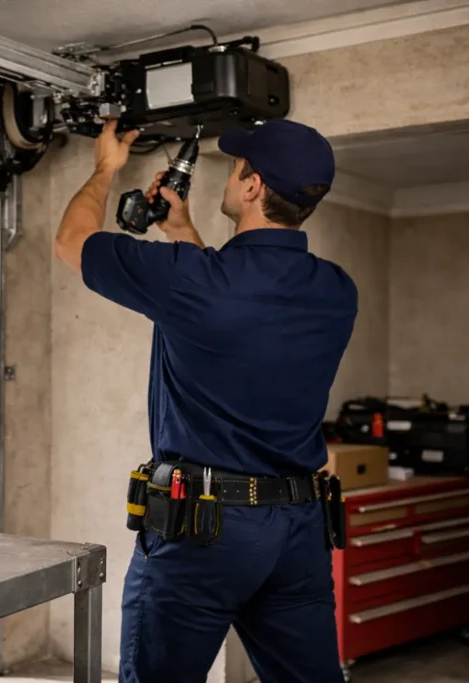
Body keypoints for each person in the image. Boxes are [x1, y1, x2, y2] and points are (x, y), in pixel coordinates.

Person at [53, 118, 357, 683]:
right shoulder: (336, 291)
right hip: (297, 528)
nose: (230, 175)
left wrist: (105, 168)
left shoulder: (195, 283)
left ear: (252, 187)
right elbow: (231, 317)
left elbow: (71, 243)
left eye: (236, 167)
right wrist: (182, 230)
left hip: (204, 532)